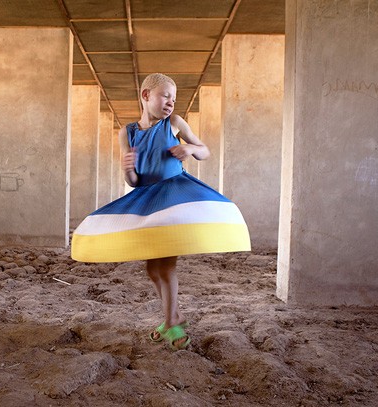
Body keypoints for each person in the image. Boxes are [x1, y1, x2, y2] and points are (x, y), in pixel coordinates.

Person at [71, 73, 251, 350]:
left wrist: (189, 148)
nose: (171, 102)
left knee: (165, 267)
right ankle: (174, 315)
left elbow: (205, 151)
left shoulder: (174, 123)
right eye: (166, 96)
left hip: (175, 197)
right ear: (146, 95)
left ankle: (171, 323)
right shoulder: (127, 133)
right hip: (148, 200)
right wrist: (127, 168)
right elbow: (133, 181)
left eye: (174, 99)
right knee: (153, 269)